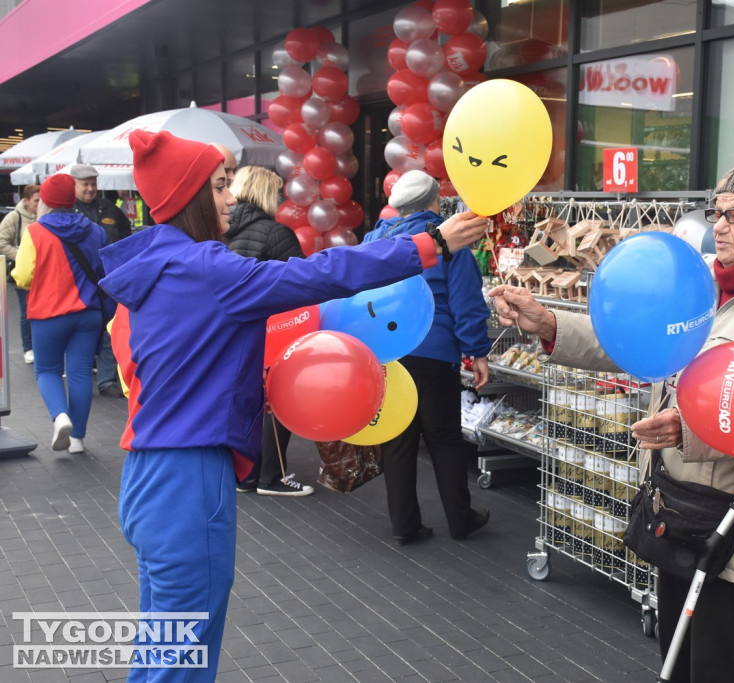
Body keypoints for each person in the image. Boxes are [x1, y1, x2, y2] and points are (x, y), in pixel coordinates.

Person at [99, 130, 487, 681]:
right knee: (179, 660)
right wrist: (431, 245)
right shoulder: (206, 269)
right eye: (218, 186)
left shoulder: (149, 274)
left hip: (147, 473)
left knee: (162, 646)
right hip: (187, 476)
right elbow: (320, 275)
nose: (230, 198)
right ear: (187, 199)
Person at [489, 149, 734, 682]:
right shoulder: (702, 283)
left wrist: (691, 429)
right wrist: (551, 325)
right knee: (677, 662)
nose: (720, 227)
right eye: (716, 211)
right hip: (679, 509)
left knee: (725, 667)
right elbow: (636, 344)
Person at [363, 170, 493, 545]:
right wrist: (477, 351)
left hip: (389, 355)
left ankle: (405, 525)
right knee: (445, 438)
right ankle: (460, 519)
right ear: (436, 202)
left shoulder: (375, 241)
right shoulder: (449, 243)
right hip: (435, 353)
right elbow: (465, 303)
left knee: (398, 440)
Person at [224, 165, 311, 497]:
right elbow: (302, 284)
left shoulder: (221, 227)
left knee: (245, 400)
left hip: (232, 331)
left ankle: (245, 474)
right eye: (276, 192)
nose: (279, 200)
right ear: (264, 193)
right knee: (277, 400)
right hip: (274, 330)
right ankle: (271, 477)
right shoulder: (276, 234)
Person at [12, 175, 109, 455]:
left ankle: (60, 416)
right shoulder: (95, 230)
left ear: (46, 201)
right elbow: (104, 272)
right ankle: (77, 439)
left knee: (47, 370)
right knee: (79, 372)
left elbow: (23, 276)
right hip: (89, 313)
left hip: (49, 313)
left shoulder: (35, 232)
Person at [69, 163, 132, 398]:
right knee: (85, 333)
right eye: (85, 184)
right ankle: (83, 377)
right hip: (81, 283)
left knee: (109, 330)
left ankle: (106, 381)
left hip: (110, 281)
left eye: (93, 184)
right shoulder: (68, 211)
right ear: (74, 185)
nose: (90, 189)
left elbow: (126, 234)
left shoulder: (109, 208)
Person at [0, 183, 40, 364]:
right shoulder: (14, 217)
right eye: (36, 201)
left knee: (41, 311)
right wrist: (23, 256)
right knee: (26, 311)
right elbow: (1, 242)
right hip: (22, 272)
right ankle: (28, 348)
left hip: (43, 273)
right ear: (26, 201)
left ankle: (39, 345)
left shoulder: (44, 216)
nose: (39, 204)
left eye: (42, 201)